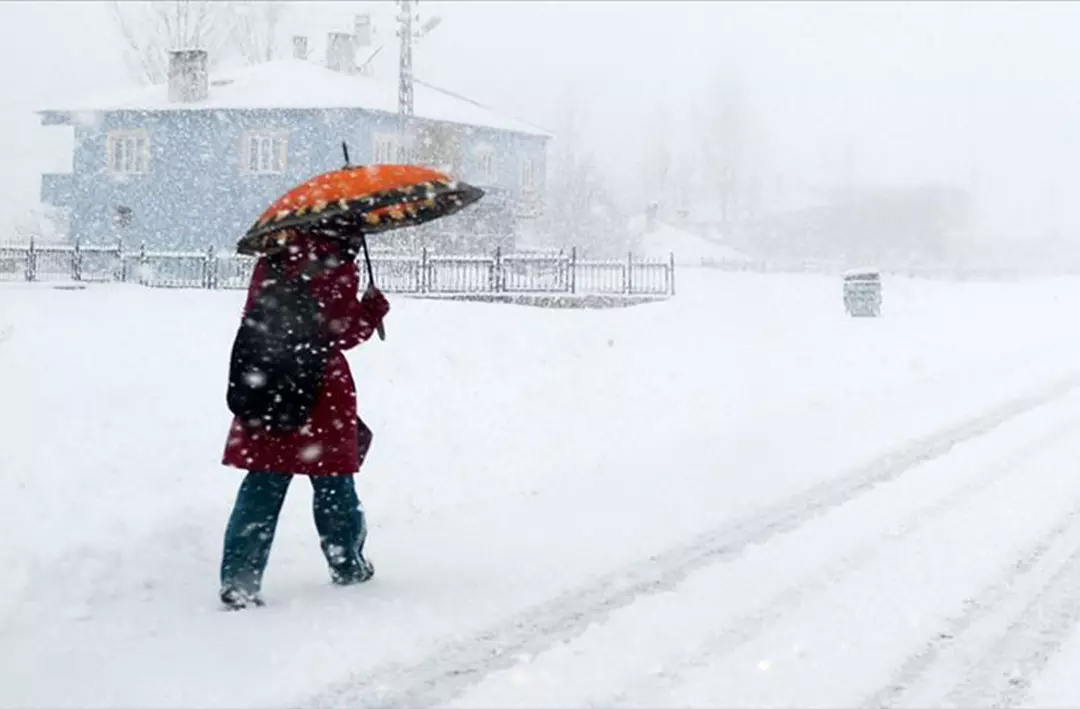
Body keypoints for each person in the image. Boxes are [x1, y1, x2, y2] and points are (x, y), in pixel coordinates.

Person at [219, 230, 389, 610]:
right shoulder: (335, 263)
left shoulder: (273, 258)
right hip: (319, 388)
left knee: (263, 483)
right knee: (333, 483)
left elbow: (255, 316)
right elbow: (341, 332)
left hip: (270, 381)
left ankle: (239, 579)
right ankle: (348, 564)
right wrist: (372, 311)